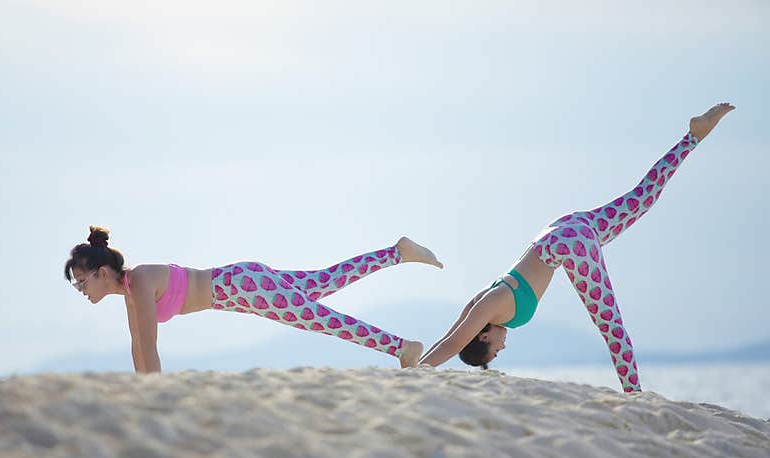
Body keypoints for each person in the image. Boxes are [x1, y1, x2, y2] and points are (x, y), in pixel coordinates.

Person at [418, 103, 736, 392]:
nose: (501, 349)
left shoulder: (490, 307)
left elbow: (455, 342)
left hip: (569, 246)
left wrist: (417, 372)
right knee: (641, 200)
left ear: (483, 336)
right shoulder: (484, 301)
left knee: (613, 328)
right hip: (561, 228)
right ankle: (693, 137)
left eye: (493, 350)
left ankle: (634, 395)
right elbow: (450, 335)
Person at [64, 232, 443, 373]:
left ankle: (403, 348)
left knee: (319, 318)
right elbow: (137, 347)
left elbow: (149, 344)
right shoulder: (131, 293)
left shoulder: (141, 281)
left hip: (243, 287)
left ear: (101, 272)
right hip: (243, 284)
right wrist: (140, 388)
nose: (82, 289)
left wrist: (150, 391)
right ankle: (397, 252)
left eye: (82, 281)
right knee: (324, 283)